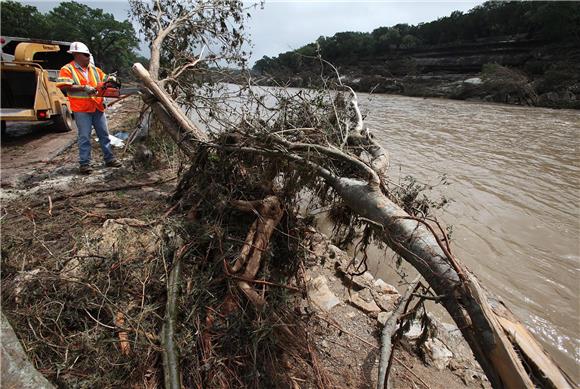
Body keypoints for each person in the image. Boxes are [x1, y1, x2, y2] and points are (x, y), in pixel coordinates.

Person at [56, 41, 121, 174]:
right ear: (76, 55)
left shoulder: (94, 70)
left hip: (97, 107)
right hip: (82, 109)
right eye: (85, 55)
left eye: (88, 55)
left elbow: (105, 79)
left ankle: (109, 159)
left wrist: (111, 79)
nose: (87, 58)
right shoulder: (67, 69)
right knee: (84, 137)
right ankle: (85, 164)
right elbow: (63, 85)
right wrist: (83, 87)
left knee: (104, 135)